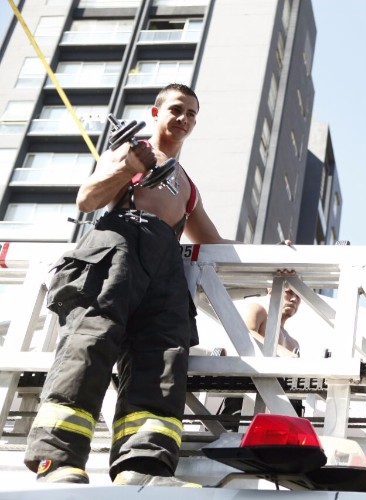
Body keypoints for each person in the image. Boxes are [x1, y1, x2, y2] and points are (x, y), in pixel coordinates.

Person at [25, 83, 234, 487]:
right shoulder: (130, 150)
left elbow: (213, 241)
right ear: (156, 113)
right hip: (118, 246)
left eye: (192, 113)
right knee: (91, 343)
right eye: (176, 109)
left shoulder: (187, 186)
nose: (184, 118)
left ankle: (144, 468)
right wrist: (127, 168)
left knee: (162, 358)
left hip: (166, 266)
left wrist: (284, 255)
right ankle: (58, 460)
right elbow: (87, 199)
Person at [218, 285, 303, 430]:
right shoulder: (258, 310)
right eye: (289, 292)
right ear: (271, 289)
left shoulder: (293, 342)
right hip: (244, 393)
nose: (294, 299)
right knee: (233, 436)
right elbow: (244, 333)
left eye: (298, 295)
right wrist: (284, 353)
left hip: (276, 407)